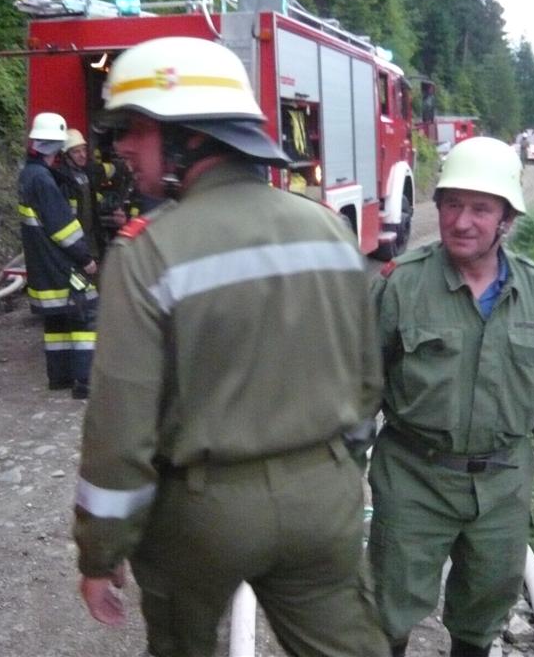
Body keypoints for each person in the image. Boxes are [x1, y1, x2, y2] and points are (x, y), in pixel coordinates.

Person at [73, 36, 388, 657]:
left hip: (202, 514)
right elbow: (366, 380)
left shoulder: (146, 251)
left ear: (190, 137)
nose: (122, 146)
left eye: (136, 129)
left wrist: (100, 552)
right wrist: (334, 468)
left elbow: (121, 427)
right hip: (324, 499)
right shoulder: (329, 229)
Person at [368, 137, 534, 657]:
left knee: (482, 614)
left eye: (480, 209)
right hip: (414, 477)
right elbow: (354, 389)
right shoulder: (400, 287)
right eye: (451, 205)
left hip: (503, 484)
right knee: (388, 609)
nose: (461, 222)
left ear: (507, 217)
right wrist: (333, 476)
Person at [17, 112, 98, 399]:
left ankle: (60, 378)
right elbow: (63, 229)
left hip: (42, 266)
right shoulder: (42, 179)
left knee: (56, 322)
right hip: (61, 265)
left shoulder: (28, 174)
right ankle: (86, 382)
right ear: (55, 145)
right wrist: (86, 259)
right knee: (86, 313)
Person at [54, 127, 104, 261]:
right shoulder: (61, 180)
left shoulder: (86, 174)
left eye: (83, 150)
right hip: (73, 247)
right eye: (76, 151)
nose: (83, 155)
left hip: (89, 242)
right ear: (65, 155)